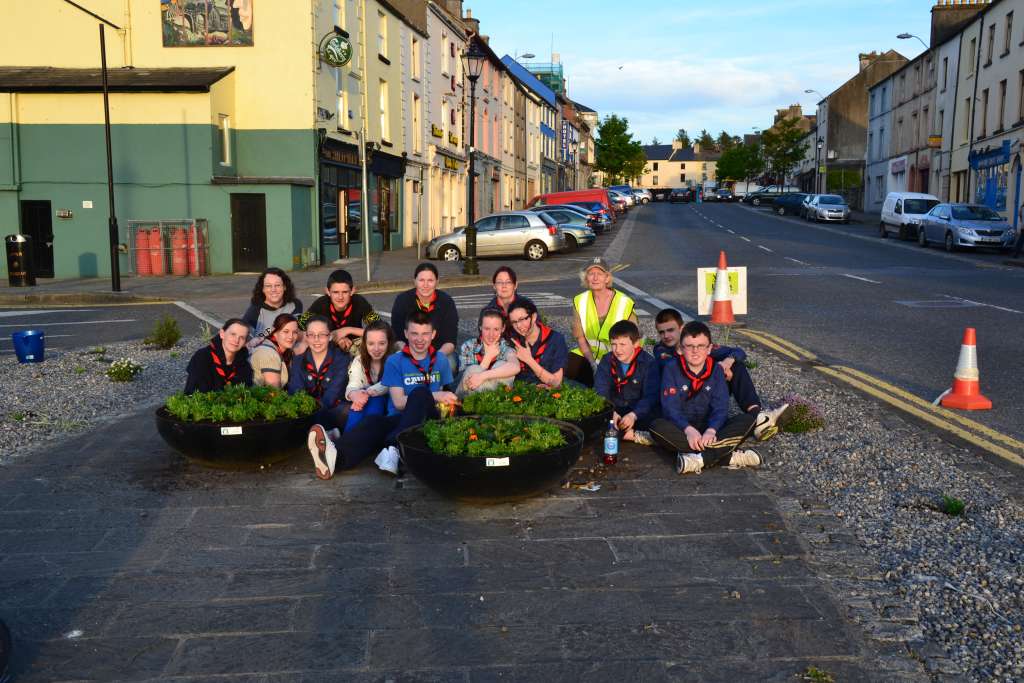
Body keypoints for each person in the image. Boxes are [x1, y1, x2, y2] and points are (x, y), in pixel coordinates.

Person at [316, 311, 457, 478]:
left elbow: (443, 392)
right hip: (398, 420)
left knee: (421, 393)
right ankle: (336, 459)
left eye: (425, 334)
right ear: (406, 334)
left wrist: (442, 398)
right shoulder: (395, 361)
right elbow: (398, 403)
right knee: (372, 422)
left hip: (425, 420)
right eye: (414, 333)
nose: (420, 339)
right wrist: (437, 395)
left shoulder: (440, 359)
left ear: (433, 334)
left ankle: (393, 448)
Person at [653, 308, 788, 441]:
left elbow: (738, 351)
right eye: (661, 332)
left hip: (707, 391)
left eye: (670, 330)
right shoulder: (661, 349)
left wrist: (726, 363)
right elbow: (678, 367)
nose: (666, 336)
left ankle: (756, 414)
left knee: (736, 366)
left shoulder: (701, 345)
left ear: (682, 328)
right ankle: (753, 424)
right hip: (679, 396)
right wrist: (714, 367)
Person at [651, 321, 761, 475]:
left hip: (709, 428)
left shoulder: (716, 369)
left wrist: (711, 429)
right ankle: (726, 456)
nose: (695, 351)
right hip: (682, 429)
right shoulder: (671, 368)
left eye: (701, 346)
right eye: (689, 346)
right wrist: (688, 429)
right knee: (656, 426)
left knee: (747, 420)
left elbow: (721, 407)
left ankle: (699, 459)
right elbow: (670, 409)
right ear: (681, 349)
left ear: (709, 348)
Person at [291, 316, 350, 479]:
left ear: (330, 336)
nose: (316, 340)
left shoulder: (342, 358)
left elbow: (333, 393)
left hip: (333, 410)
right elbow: (296, 391)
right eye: (311, 335)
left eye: (322, 335)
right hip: (307, 412)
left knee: (348, 412)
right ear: (306, 337)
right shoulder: (298, 360)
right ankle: (327, 439)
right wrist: (307, 410)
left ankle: (322, 439)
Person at [566, 257, 637, 387]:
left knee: (611, 384)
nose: (595, 277)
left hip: (618, 356)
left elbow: (635, 341)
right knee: (567, 365)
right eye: (591, 273)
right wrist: (593, 364)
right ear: (585, 278)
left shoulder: (624, 302)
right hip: (591, 355)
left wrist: (620, 363)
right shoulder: (580, 300)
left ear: (607, 278)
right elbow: (580, 338)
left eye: (599, 274)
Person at [593, 320, 660, 445]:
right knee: (593, 420)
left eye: (623, 344)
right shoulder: (607, 360)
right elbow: (600, 390)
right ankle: (635, 436)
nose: (618, 350)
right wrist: (611, 413)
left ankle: (637, 435)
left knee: (658, 423)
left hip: (638, 412)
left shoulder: (648, 363)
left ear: (635, 344)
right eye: (614, 344)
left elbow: (650, 397)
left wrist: (633, 415)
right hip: (616, 410)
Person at [391, 263, 459, 370]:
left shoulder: (446, 301)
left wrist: (434, 358)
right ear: (415, 281)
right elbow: (397, 337)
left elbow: (450, 341)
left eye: (430, 281)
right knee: (396, 363)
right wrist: (413, 356)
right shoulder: (402, 300)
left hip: (438, 351)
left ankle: (443, 386)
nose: (425, 285)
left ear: (437, 282)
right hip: (409, 351)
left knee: (450, 363)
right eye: (421, 280)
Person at [342, 319, 395, 431]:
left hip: (392, 402)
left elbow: (389, 383)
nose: (376, 349)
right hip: (367, 400)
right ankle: (346, 441)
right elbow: (353, 384)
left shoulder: (397, 358)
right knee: (357, 407)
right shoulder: (359, 360)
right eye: (371, 343)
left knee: (375, 402)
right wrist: (354, 395)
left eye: (381, 343)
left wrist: (366, 393)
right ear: (365, 344)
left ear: (389, 343)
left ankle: (352, 442)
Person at [306, 268, 375, 352]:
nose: (340, 297)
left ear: (352, 291)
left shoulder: (359, 302)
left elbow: (381, 329)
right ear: (327, 291)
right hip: (326, 348)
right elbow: (300, 329)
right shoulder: (320, 304)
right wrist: (334, 337)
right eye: (335, 292)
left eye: (345, 292)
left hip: (355, 348)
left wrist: (347, 330)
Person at [456, 308, 519, 397]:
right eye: (487, 329)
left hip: (495, 398)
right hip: (467, 397)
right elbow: (468, 381)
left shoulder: (506, 346)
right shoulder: (469, 346)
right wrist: (488, 357)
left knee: (502, 364)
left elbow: (515, 367)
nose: (491, 334)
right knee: (473, 369)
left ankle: (491, 404)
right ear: (480, 327)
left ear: (503, 328)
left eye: (496, 329)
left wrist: (483, 376)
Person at [509, 299, 568, 388]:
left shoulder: (555, 339)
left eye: (522, 319)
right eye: (514, 322)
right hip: (519, 393)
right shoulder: (512, 341)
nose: (518, 326)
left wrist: (529, 360)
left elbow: (556, 382)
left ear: (534, 316)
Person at [184, 318, 254, 394]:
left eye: (242, 337)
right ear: (222, 334)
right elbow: (192, 392)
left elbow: (245, 394)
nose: (236, 340)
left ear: (244, 343)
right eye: (233, 334)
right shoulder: (203, 357)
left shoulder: (244, 366)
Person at [241, 268, 303, 350]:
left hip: (288, 353)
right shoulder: (254, 312)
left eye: (277, 285)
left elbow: (301, 331)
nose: (273, 290)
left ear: (284, 287)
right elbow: (243, 342)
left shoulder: (295, 304)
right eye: (268, 286)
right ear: (263, 289)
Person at [250, 313, 299, 388]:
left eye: (295, 332)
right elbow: (274, 392)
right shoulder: (269, 354)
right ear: (275, 333)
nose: (291, 336)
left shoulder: (282, 350)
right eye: (286, 331)